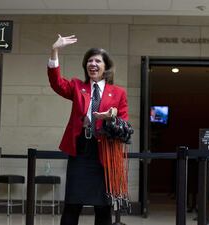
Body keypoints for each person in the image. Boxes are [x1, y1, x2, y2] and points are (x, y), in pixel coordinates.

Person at [47, 34, 131, 225]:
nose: (92, 64)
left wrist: (110, 119)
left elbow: (124, 124)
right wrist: (55, 50)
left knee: (103, 207)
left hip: (105, 154)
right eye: (89, 61)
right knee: (72, 204)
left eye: (97, 61)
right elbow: (56, 83)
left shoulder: (118, 93)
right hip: (81, 152)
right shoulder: (77, 86)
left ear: (105, 67)